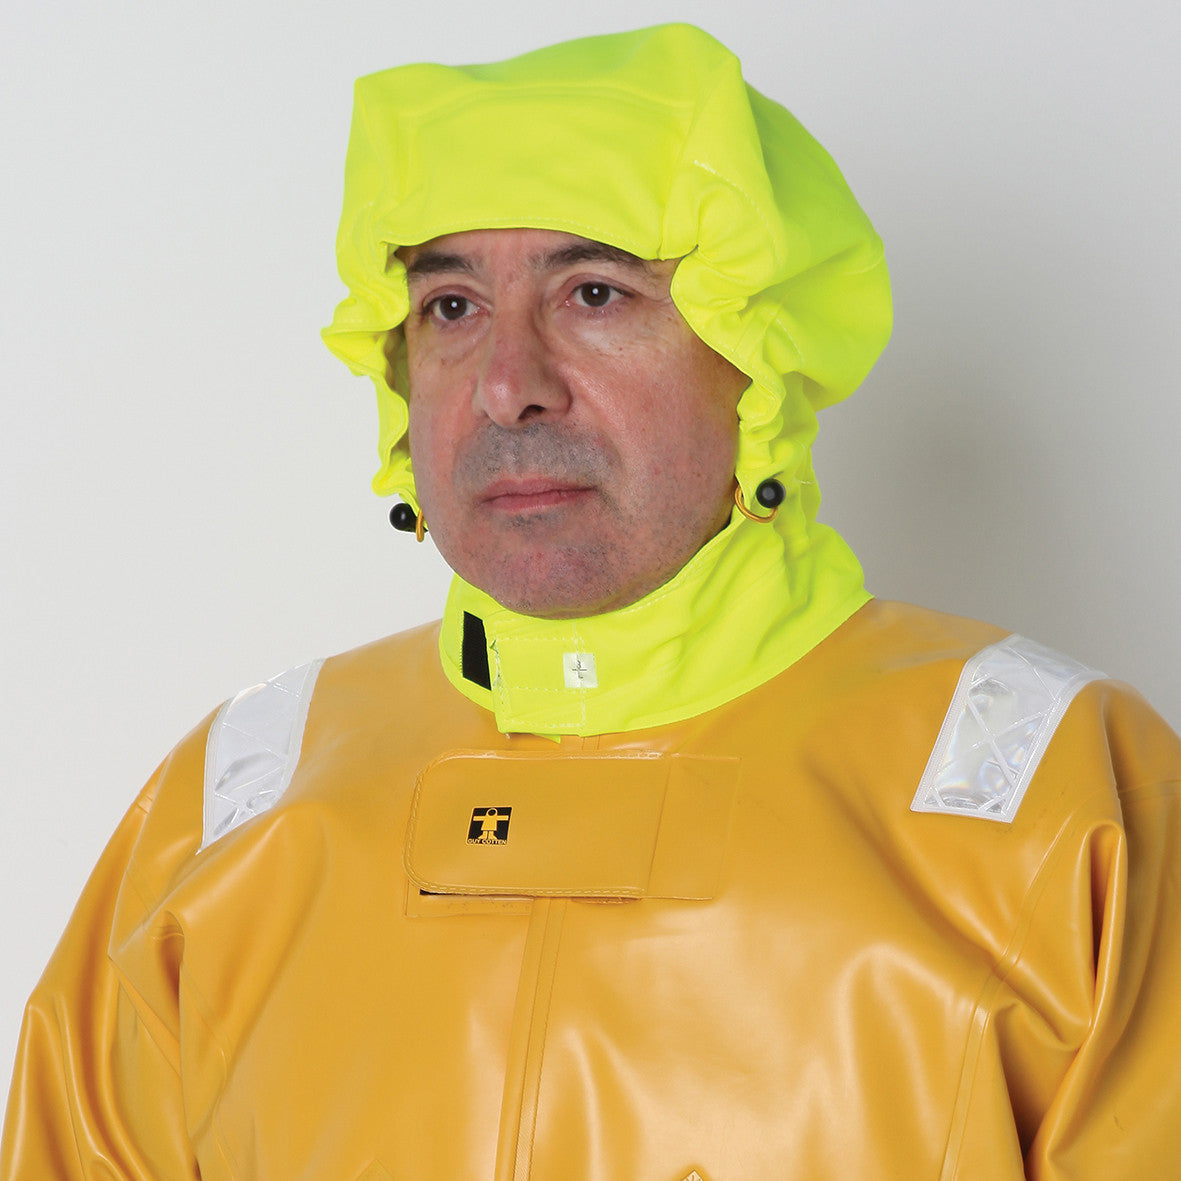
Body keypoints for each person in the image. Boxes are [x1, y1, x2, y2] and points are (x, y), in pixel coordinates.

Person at [3, 22, 1180, 1181]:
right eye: (450, 307)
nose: (508, 386)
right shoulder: (235, 804)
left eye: (595, 294)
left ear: (757, 355)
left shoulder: (1049, 793)